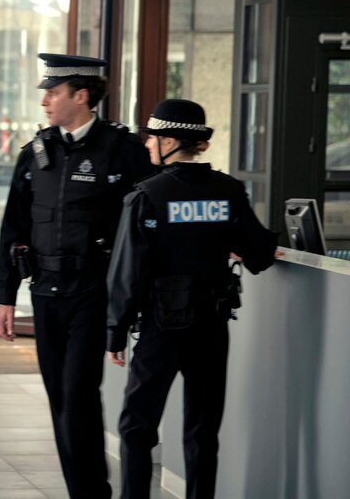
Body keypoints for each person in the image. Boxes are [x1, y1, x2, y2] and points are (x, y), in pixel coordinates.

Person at [0, 53, 154, 498]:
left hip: (92, 292)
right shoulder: (36, 153)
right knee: (61, 401)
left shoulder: (125, 152)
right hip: (45, 291)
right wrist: (4, 295)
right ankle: (82, 491)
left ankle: (90, 493)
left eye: (54, 91)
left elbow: (150, 218)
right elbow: (14, 226)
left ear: (81, 96)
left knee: (79, 395)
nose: (45, 99)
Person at [105, 99, 280, 499]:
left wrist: (115, 332)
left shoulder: (147, 196)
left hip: (160, 330)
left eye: (152, 136)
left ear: (170, 140)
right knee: (202, 430)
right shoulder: (229, 191)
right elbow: (259, 254)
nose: (147, 143)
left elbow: (127, 273)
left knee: (137, 427)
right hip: (212, 328)